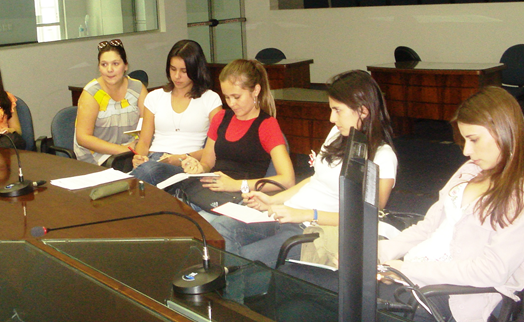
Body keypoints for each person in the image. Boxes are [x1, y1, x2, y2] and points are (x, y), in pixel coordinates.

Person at [378, 86, 524, 322]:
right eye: (464, 140)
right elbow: (429, 227)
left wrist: (407, 270)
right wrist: (381, 251)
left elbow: (490, 271)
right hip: (423, 282)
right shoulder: (470, 170)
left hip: (464, 299)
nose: (466, 152)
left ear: (504, 131)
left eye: (474, 139)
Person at [214, 69, 397, 268]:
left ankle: (240, 290)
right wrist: (273, 200)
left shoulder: (382, 156)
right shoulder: (337, 134)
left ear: (363, 110)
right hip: (287, 214)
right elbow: (314, 180)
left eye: (337, 110)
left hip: (312, 229)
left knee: (246, 258)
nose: (331, 119)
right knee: (219, 230)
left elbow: (365, 218)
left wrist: (307, 214)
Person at [170, 59, 294, 213]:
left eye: (236, 97)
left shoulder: (267, 125)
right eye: (227, 97)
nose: (231, 103)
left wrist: (237, 185)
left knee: (201, 228)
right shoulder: (221, 118)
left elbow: (287, 180)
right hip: (212, 194)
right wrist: (198, 167)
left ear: (255, 91)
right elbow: (207, 163)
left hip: (241, 199)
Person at [131, 40, 222, 185]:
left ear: (196, 70)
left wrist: (181, 158)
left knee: (148, 172)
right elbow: (144, 141)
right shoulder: (155, 97)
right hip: (154, 160)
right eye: (173, 69)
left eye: (184, 71)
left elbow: (216, 147)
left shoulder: (210, 99)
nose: (177, 76)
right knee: (149, 169)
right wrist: (139, 157)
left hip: (187, 163)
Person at [74, 39, 147, 165]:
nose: (110, 69)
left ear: (125, 66)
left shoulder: (137, 88)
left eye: (115, 64)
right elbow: (83, 138)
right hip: (96, 158)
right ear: (99, 67)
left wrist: (139, 147)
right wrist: (123, 150)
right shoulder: (91, 93)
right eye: (104, 64)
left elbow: (148, 123)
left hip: (131, 150)